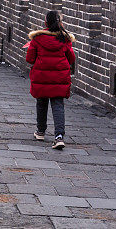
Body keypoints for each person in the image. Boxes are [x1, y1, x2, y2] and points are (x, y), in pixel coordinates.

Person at [26, 10, 76, 149]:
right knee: (58, 105)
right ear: (60, 23)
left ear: (46, 22)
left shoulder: (37, 39)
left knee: (41, 103)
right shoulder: (65, 39)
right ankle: (59, 137)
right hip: (59, 78)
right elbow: (71, 59)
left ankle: (40, 132)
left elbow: (30, 59)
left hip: (41, 77)